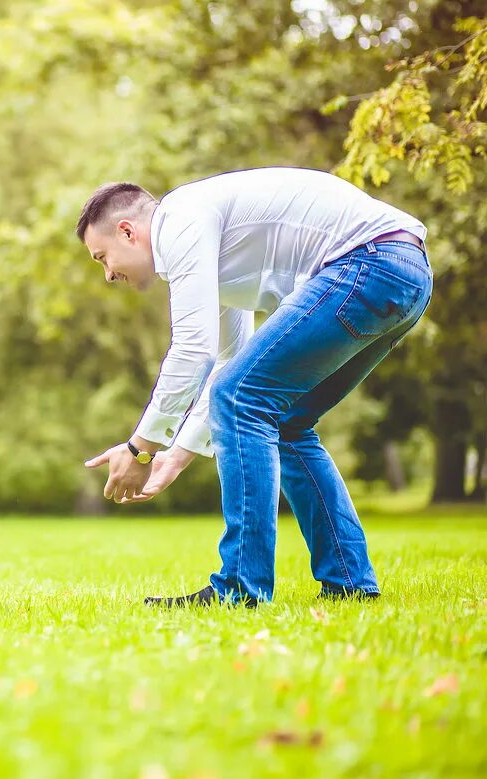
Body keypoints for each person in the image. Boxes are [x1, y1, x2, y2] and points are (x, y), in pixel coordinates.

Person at [79, 167, 432, 606]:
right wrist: (177, 456)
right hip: (406, 273)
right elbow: (229, 359)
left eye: (102, 258)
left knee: (242, 398)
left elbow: (194, 351)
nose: (108, 275)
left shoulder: (180, 221)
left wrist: (140, 449)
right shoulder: (206, 245)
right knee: (285, 418)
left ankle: (241, 589)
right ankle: (350, 582)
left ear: (128, 231)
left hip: (369, 264)